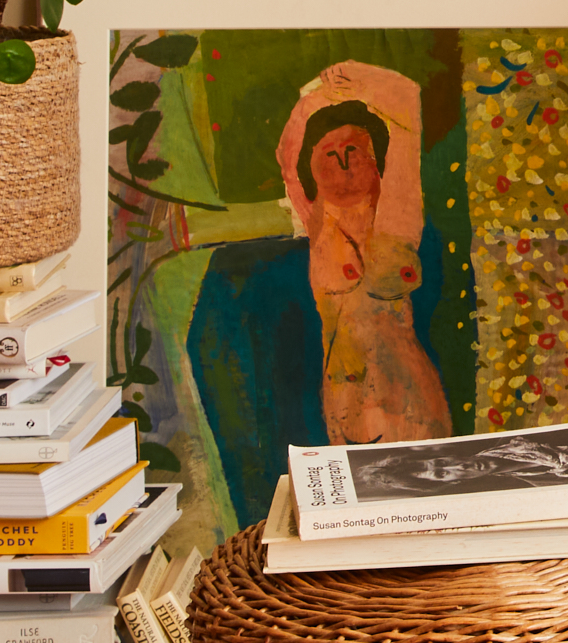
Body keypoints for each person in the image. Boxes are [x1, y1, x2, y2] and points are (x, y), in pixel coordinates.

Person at [186, 65, 464, 528]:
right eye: (329, 153)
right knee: (356, 538)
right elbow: (285, 153)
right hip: (338, 403)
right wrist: (311, 99)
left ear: (377, 164)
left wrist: (357, 83)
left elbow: (408, 107)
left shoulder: (396, 219)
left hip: (404, 397)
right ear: (312, 169)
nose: (341, 159)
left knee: (418, 522)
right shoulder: (317, 225)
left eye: (354, 148)